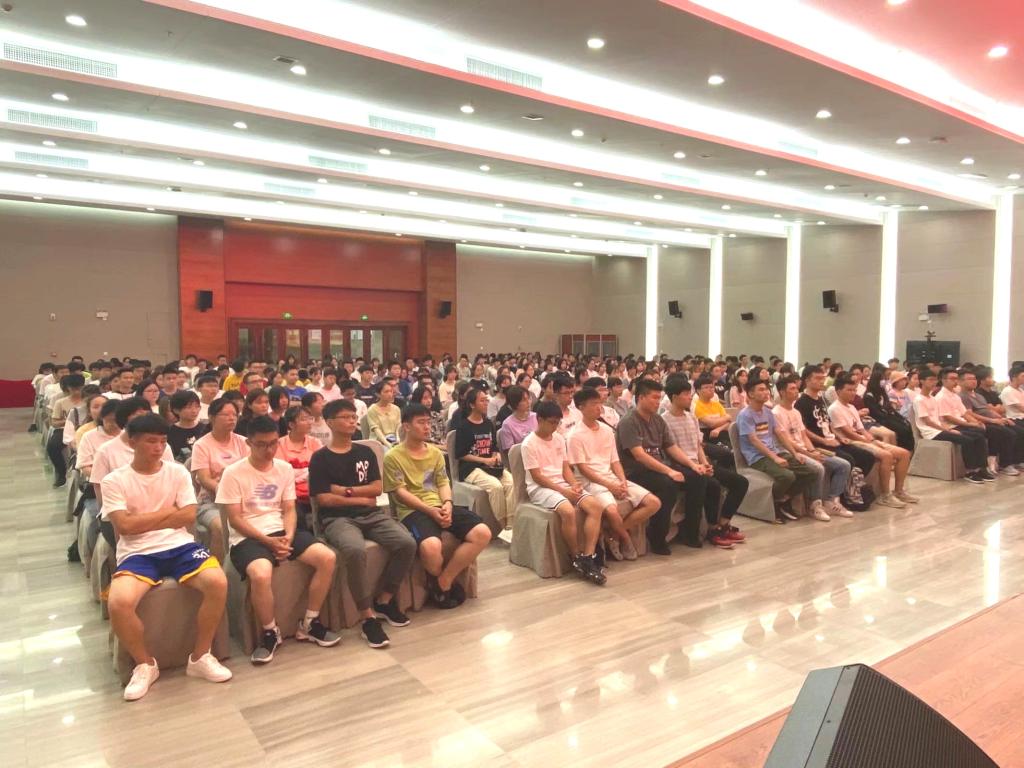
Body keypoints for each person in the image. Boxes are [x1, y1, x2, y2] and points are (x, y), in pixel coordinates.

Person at [102, 414, 231, 701]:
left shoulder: (177, 472)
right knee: (119, 602)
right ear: (132, 442)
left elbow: (188, 516)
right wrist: (169, 514)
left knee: (218, 582)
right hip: (137, 551)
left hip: (179, 544)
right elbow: (124, 526)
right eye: (151, 441)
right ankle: (145, 664)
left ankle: (200, 656)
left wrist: (144, 519)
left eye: (162, 441)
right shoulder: (115, 480)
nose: (158, 448)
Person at [218, 416, 340, 663]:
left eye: (273, 443)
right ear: (249, 443)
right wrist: (268, 541)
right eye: (262, 444)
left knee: (327, 557)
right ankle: (270, 632)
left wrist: (288, 537)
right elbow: (235, 519)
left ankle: (310, 622)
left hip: (281, 530)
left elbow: (289, 509)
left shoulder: (283, 468)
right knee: (261, 573)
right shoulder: (233, 473)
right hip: (248, 535)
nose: (269, 450)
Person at [309, 399, 416, 648]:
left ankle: (384, 600)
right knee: (354, 550)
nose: (352, 421)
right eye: (345, 417)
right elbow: (324, 499)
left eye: (353, 417)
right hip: (337, 519)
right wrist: (360, 497)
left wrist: (345, 491)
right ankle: (367, 616)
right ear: (330, 422)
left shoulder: (365, 452)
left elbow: (377, 489)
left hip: (372, 514)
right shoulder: (320, 458)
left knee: (407, 543)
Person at [383, 404, 491, 608]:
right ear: (406, 426)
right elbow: (400, 493)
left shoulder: (435, 453)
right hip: (413, 511)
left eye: (428, 422)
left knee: (482, 533)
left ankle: (443, 581)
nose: (427, 427)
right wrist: (430, 511)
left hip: (440, 505)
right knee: (431, 548)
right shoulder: (393, 457)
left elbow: (443, 483)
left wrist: (448, 504)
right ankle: (439, 581)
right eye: (421, 422)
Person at [518, 400, 607, 583]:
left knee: (595, 507)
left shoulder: (559, 438)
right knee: (568, 510)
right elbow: (537, 477)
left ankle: (588, 556)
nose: (555, 426)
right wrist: (564, 492)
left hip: (562, 484)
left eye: (557, 423)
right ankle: (575, 556)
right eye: (551, 422)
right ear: (539, 420)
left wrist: (574, 484)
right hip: (540, 488)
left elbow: (565, 468)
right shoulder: (528, 444)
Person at [568, 388, 662, 560]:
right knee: (612, 511)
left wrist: (622, 481)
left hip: (611, 476)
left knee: (654, 503)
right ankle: (625, 539)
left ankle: (613, 534)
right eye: (593, 404)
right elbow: (583, 469)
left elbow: (615, 461)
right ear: (581, 407)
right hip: (591, 481)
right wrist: (610, 486)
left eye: (599, 403)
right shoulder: (574, 435)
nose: (599, 407)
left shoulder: (606, 430)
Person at [660, 376, 749, 544]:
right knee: (712, 485)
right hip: (681, 465)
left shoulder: (691, 417)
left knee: (740, 482)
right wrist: (695, 466)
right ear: (674, 397)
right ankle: (712, 529)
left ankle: (724, 524)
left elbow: (698, 445)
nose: (690, 397)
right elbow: (672, 450)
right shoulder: (664, 420)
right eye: (686, 394)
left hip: (698, 463)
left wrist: (706, 464)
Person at [615, 378, 697, 554]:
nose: (658, 402)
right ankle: (657, 536)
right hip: (635, 472)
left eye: (659, 398)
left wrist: (692, 465)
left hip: (657, 467)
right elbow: (639, 455)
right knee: (667, 485)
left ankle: (691, 532)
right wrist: (669, 471)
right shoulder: (629, 421)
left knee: (698, 478)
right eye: (654, 397)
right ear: (641, 398)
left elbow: (671, 447)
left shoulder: (657, 420)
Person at [738, 378, 819, 522]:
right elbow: (754, 440)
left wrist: (794, 454)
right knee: (787, 476)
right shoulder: (745, 415)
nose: (766, 392)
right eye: (761, 390)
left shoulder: (768, 412)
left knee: (811, 472)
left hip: (774, 452)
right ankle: (773, 503)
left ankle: (783, 499)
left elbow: (780, 434)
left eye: (766, 389)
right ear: (750, 394)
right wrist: (775, 457)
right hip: (757, 457)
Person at [772, 375, 852, 520]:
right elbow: (786, 441)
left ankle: (832, 501)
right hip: (790, 451)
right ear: (782, 392)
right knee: (818, 468)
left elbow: (804, 435)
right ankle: (815, 505)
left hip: (806, 449)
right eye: (792, 389)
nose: (796, 391)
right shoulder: (776, 413)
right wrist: (809, 454)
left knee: (843, 465)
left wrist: (813, 451)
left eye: (796, 388)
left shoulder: (795, 412)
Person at [829, 374, 916, 508]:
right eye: (849, 390)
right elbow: (848, 433)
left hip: (862, 439)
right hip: (851, 442)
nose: (853, 393)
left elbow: (860, 428)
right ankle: (885, 495)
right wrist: (867, 440)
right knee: (886, 456)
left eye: (854, 390)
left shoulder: (851, 407)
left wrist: (870, 438)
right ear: (839, 391)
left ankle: (899, 491)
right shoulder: (834, 408)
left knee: (904, 454)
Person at [190, 399, 250, 563]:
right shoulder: (201, 445)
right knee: (221, 527)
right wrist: (225, 492)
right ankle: (218, 568)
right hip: (210, 501)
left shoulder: (243, 442)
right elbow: (204, 479)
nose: (232, 418)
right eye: (226, 415)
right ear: (211, 417)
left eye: (234, 415)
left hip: (243, 499)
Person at [796, 365, 877, 482]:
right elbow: (804, 430)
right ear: (807, 381)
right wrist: (824, 441)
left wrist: (839, 437)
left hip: (832, 439)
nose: (821, 381)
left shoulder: (820, 399)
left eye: (822, 378)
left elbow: (829, 423)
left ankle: (854, 485)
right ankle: (843, 490)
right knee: (848, 460)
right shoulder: (801, 402)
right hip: (818, 443)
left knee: (868, 456)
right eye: (818, 378)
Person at [913, 368, 992, 484]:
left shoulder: (932, 398)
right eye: (930, 380)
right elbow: (928, 422)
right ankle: (970, 471)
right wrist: (948, 430)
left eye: (935, 380)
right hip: (930, 432)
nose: (934, 382)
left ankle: (982, 468)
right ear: (922, 381)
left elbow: (938, 419)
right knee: (967, 440)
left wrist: (948, 428)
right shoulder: (919, 400)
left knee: (979, 436)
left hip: (940, 428)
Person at [455, 387, 516, 531]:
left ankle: (511, 525)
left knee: (511, 482)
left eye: (486, 400)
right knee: (495, 487)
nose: (486, 403)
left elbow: (493, 446)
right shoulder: (464, 426)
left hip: (491, 466)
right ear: (472, 405)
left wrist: (496, 455)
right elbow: (461, 454)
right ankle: (502, 526)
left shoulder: (488, 423)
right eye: (482, 401)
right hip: (471, 468)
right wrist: (483, 460)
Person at [958, 368, 1024, 475]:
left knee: (1014, 430)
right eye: (969, 379)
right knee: (1005, 433)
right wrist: (993, 420)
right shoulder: (962, 396)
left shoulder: (979, 396)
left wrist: (1002, 418)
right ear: (960, 382)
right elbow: (970, 414)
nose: (973, 381)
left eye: (974, 379)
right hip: (981, 422)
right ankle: (1003, 464)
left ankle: (1012, 462)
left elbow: (989, 410)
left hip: (992, 420)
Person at [276, 406, 322, 530]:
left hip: (313, 490)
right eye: (303, 419)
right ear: (291, 424)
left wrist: (297, 473)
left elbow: (320, 469)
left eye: (310, 418)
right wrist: (307, 472)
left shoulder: (315, 442)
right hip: (290, 493)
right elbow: (282, 473)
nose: (309, 422)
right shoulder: (279, 444)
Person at [863, 369, 914, 452]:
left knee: (907, 424)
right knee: (901, 429)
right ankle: (902, 450)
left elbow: (889, 407)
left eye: (884, 379)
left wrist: (900, 417)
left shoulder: (882, 392)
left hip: (888, 416)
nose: (884, 381)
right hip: (879, 419)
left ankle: (910, 450)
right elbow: (875, 412)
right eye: (881, 379)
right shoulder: (869, 395)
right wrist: (889, 416)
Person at [167, 390, 209, 462]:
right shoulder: (169, 432)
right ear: (176, 410)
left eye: (197, 406)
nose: (194, 411)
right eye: (189, 407)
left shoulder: (206, 429)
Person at [497, 385, 538, 453]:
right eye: (524, 400)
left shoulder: (536, 417)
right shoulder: (507, 424)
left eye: (529, 398)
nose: (528, 402)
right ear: (515, 404)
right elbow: (511, 452)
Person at [366, 378, 401, 446]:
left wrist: (398, 439)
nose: (390, 394)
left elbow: (398, 426)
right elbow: (376, 430)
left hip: (394, 440)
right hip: (379, 442)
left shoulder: (396, 409)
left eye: (391, 391)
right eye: (386, 392)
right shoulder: (372, 409)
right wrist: (388, 444)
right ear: (378, 394)